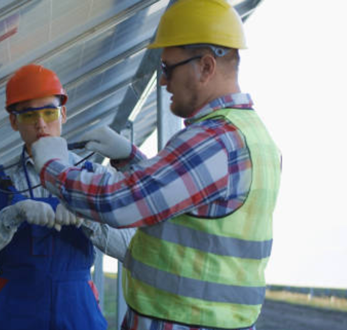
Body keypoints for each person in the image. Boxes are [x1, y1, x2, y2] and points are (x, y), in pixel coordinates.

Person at [30, 0, 282, 329]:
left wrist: (52, 166)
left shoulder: (215, 141)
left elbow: (119, 203)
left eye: (168, 68)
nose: (163, 82)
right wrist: (130, 159)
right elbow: (189, 201)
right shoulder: (250, 136)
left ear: (206, 67)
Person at [0, 64, 135, 330]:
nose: (41, 124)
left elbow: (131, 248)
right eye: (29, 115)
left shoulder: (93, 176)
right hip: (14, 311)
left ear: (63, 113)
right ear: (13, 121)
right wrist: (10, 216)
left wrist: (87, 219)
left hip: (77, 309)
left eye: (49, 112)